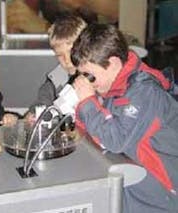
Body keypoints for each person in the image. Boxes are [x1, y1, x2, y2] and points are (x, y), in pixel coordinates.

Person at [70, 23, 178, 213]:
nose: (88, 82)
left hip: (161, 194)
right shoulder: (115, 86)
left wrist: (87, 101)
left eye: (90, 76)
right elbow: (93, 132)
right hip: (134, 186)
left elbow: (116, 139)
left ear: (113, 63)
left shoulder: (144, 92)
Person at [24, 14, 87, 122]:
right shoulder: (55, 80)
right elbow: (41, 103)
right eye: (60, 55)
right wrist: (33, 114)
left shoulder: (95, 78)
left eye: (71, 52)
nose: (67, 60)